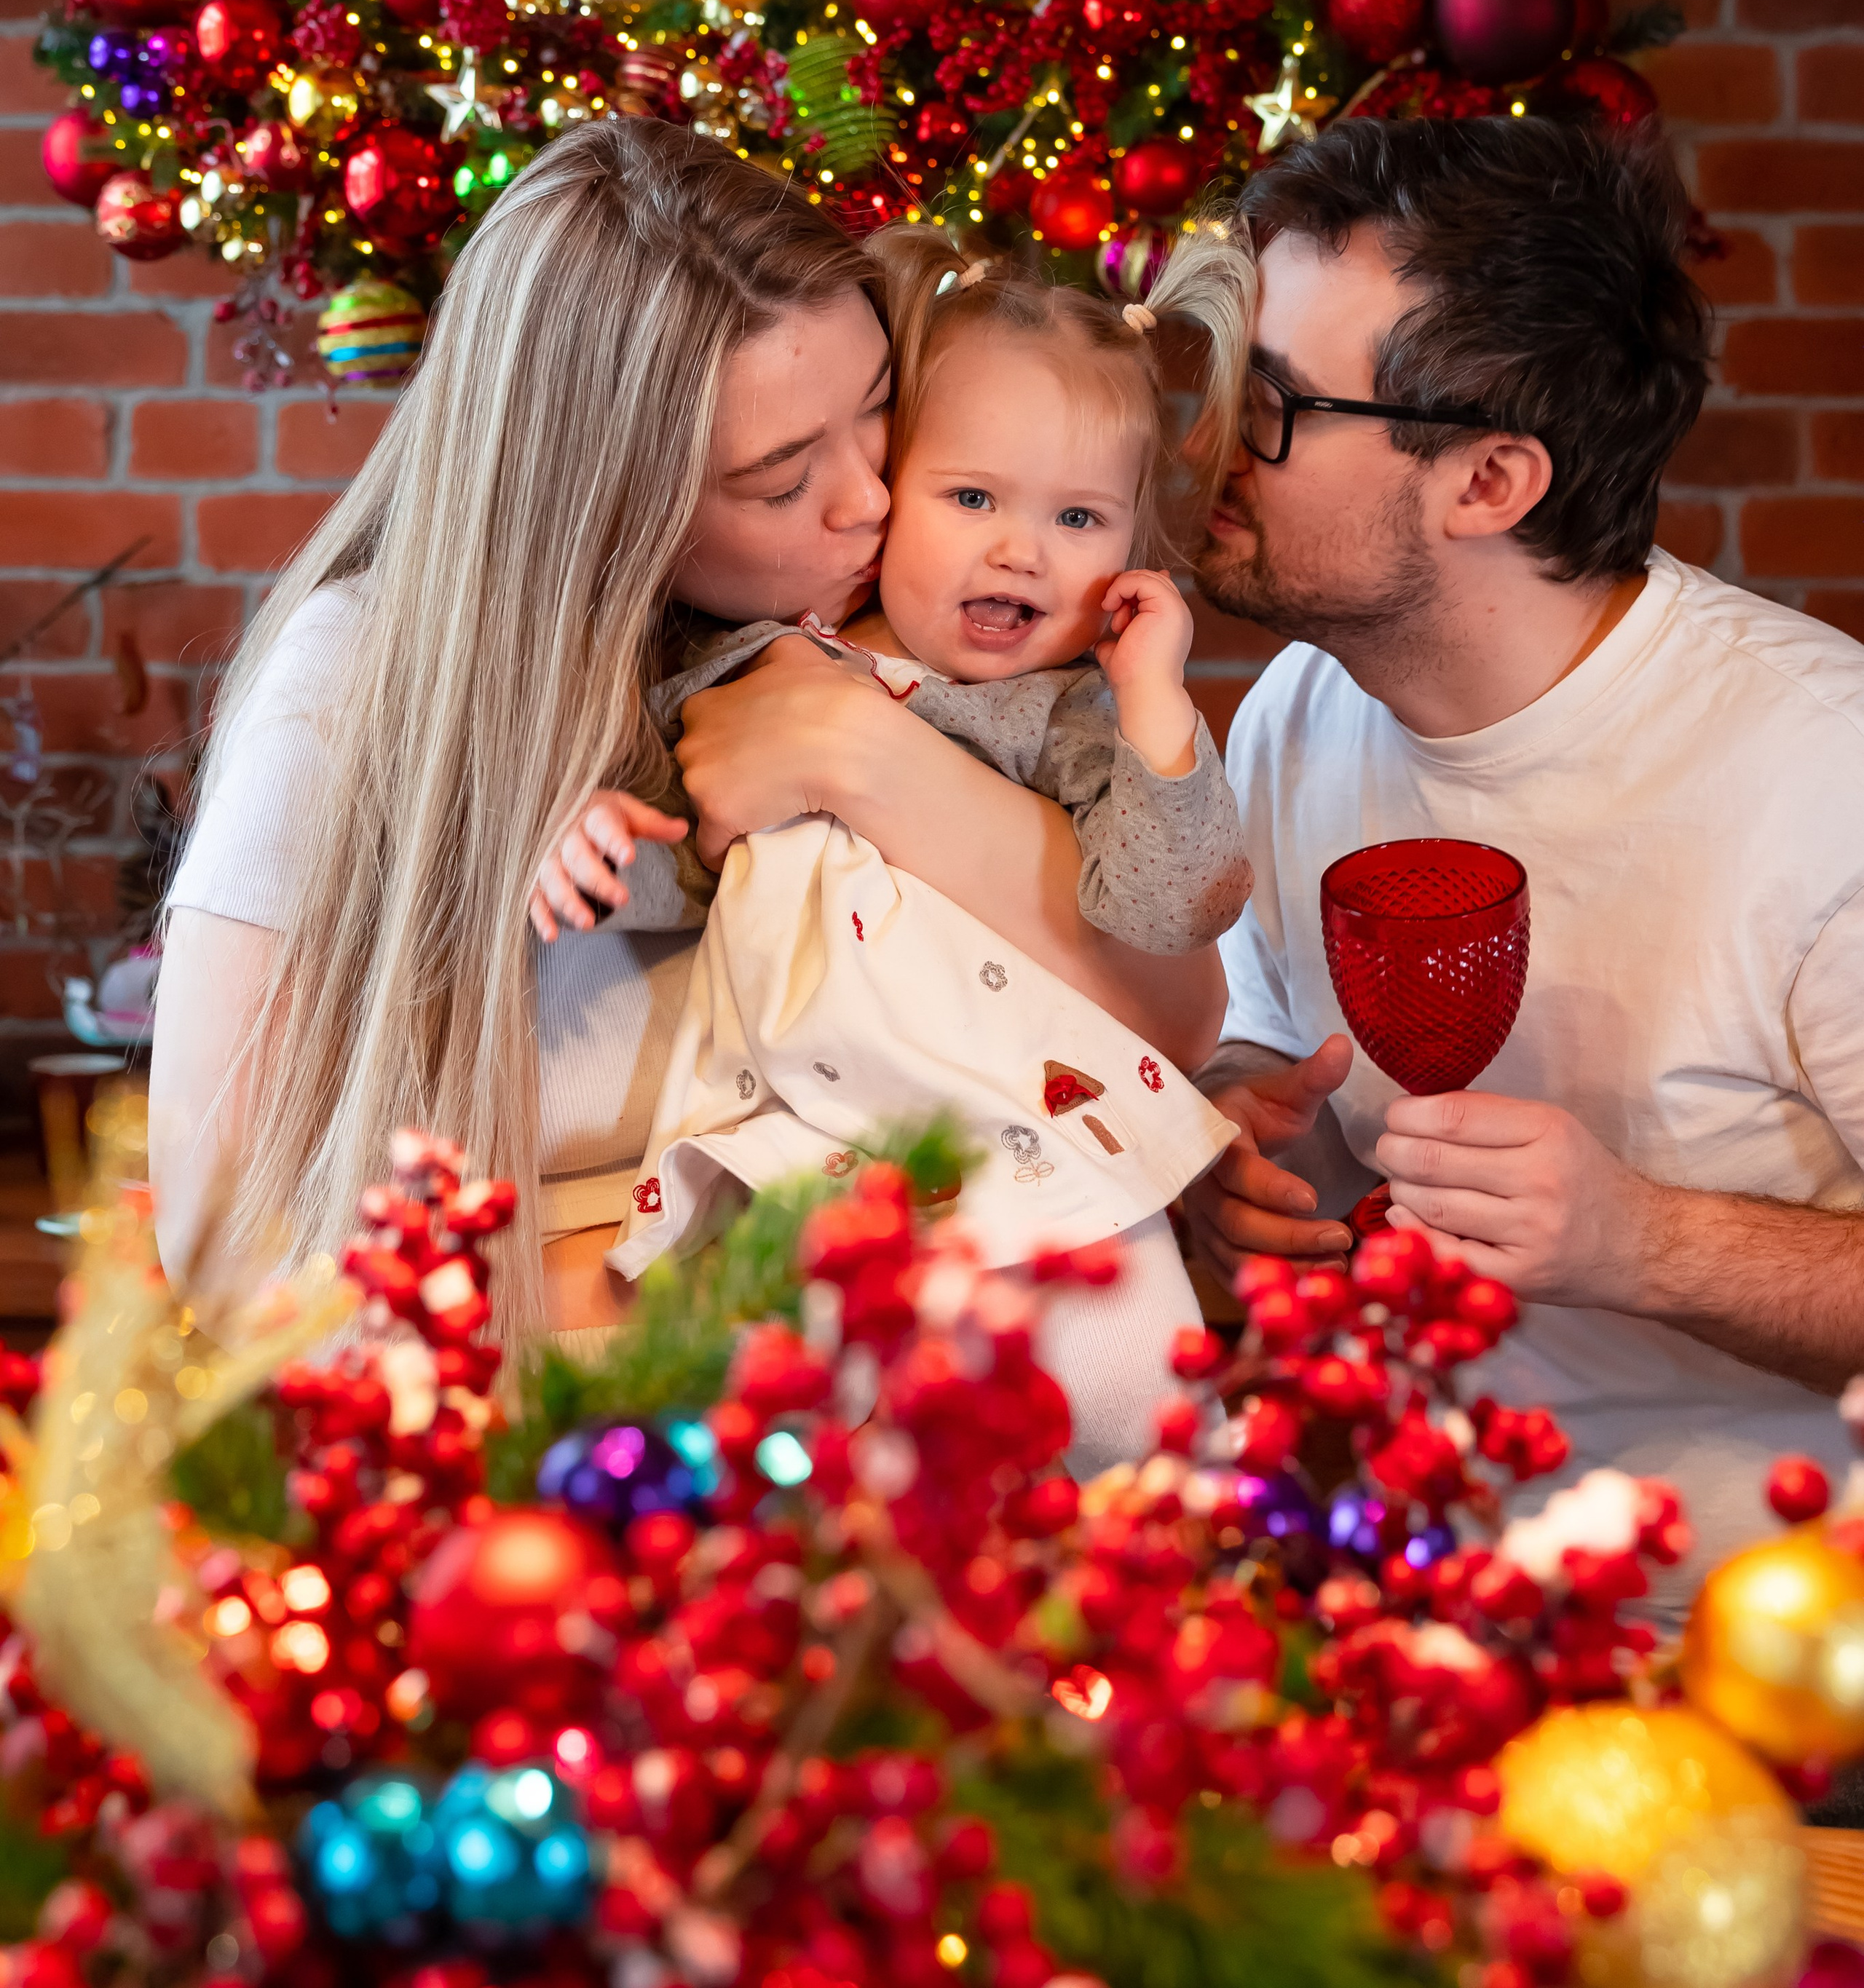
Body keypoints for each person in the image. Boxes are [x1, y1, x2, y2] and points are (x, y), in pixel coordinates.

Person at [152, 118, 1220, 1344]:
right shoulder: (353, 683)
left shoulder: (890, 638)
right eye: (778, 479)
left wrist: (852, 753)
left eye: (878, 410)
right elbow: (220, 1237)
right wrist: (683, 1306)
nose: (868, 498)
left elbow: (1172, 1016)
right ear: (605, 502)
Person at [1183, 108, 1864, 1588]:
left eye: (1276, 405)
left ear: (1487, 484)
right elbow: (1259, 1036)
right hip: (1421, 1586)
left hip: (1764, 1654)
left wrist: (1648, 1243)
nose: (1210, 437)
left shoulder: (1824, 776)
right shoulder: (1306, 702)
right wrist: (1239, 1127)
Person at [593, 229, 1257, 1462]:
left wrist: (1160, 704)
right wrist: (576, 833)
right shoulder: (752, 662)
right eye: (971, 499)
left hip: (1035, 1142)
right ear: (890, 497)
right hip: (805, 1139)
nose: (1023, 550)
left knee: (1126, 1429)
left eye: (1079, 516)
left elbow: (1168, 909)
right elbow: (669, 845)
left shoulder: (1066, 718)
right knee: (807, 1465)